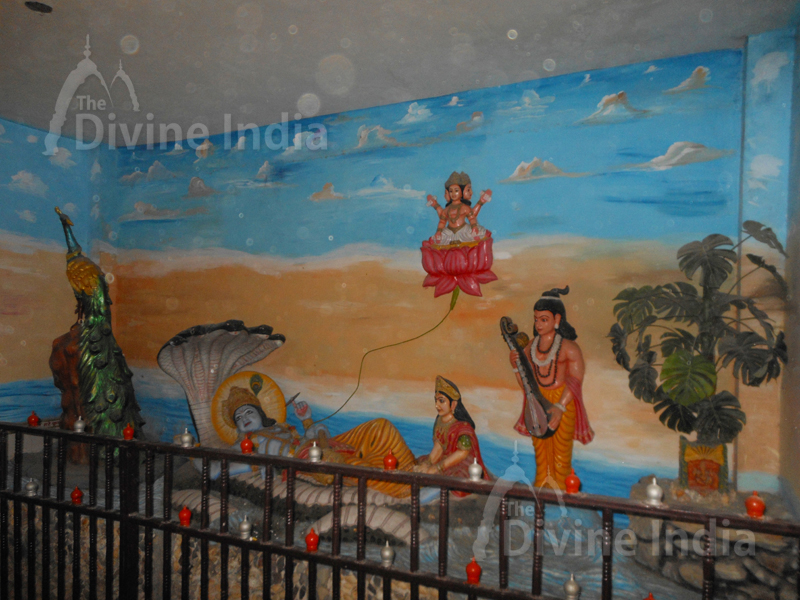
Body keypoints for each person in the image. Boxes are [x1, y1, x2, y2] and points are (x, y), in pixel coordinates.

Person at [508, 287, 594, 490]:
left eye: (544, 319)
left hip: (561, 402)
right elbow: (526, 386)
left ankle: (561, 494)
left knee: (560, 455)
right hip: (537, 401)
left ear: (557, 319)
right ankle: (541, 492)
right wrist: (516, 366)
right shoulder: (529, 347)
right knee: (541, 454)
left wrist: (560, 406)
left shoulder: (569, 348)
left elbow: (575, 380)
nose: (538, 324)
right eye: (536, 319)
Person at [414, 376, 491, 488]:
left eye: (441, 401)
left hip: (460, 463)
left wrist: (438, 468)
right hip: (445, 459)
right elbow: (438, 447)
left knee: (452, 476)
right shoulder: (440, 420)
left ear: (453, 404)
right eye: (436, 400)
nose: (437, 405)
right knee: (421, 463)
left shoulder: (462, 427)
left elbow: (462, 453)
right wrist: (428, 463)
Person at [426, 171, 491, 245]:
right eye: (451, 191)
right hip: (450, 232)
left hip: (463, 230)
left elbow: (472, 218)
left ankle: (474, 237)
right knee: (441, 236)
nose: (453, 194)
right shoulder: (447, 209)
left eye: (456, 190)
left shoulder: (465, 207)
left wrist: (474, 227)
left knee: (475, 232)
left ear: (462, 192)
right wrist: (439, 231)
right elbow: (442, 221)